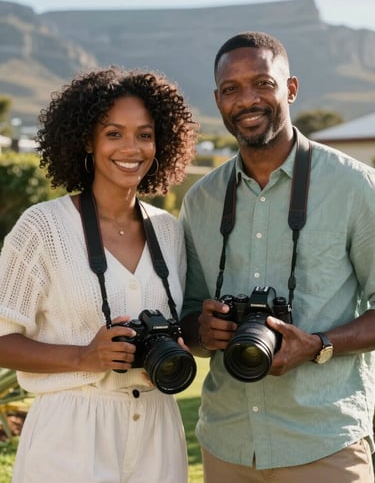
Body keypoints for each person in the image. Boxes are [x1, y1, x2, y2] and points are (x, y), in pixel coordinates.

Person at [179, 31, 375, 483]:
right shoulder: (202, 200)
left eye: (263, 83)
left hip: (325, 443)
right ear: (217, 100)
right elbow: (188, 323)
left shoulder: (354, 187)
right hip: (228, 444)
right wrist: (203, 329)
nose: (247, 99)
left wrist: (320, 345)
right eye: (231, 89)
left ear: (290, 88)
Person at [0, 66, 198, 483]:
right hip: (70, 436)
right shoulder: (43, 228)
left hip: (158, 434)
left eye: (145, 134)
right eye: (114, 133)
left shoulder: (169, 231)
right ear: (87, 140)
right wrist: (83, 357)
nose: (132, 147)